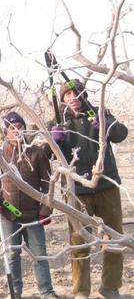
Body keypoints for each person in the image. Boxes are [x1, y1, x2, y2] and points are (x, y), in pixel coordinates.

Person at [50, 79, 128, 299]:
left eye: (76, 93)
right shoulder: (58, 121)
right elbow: (46, 154)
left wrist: (106, 124)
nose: (72, 98)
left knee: (114, 237)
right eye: (67, 95)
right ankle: (81, 291)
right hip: (76, 190)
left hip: (106, 185)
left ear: (84, 94)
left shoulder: (100, 112)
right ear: (63, 99)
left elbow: (121, 135)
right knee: (78, 241)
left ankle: (110, 287)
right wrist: (52, 140)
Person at [0, 111, 59, 298]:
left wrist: (46, 209)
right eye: (11, 128)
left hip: (33, 215)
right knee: (13, 255)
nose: (16, 131)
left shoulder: (36, 153)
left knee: (39, 254)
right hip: (8, 215)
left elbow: (48, 184)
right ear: (5, 132)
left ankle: (46, 292)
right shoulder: (0, 154)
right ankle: (15, 293)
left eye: (20, 126)